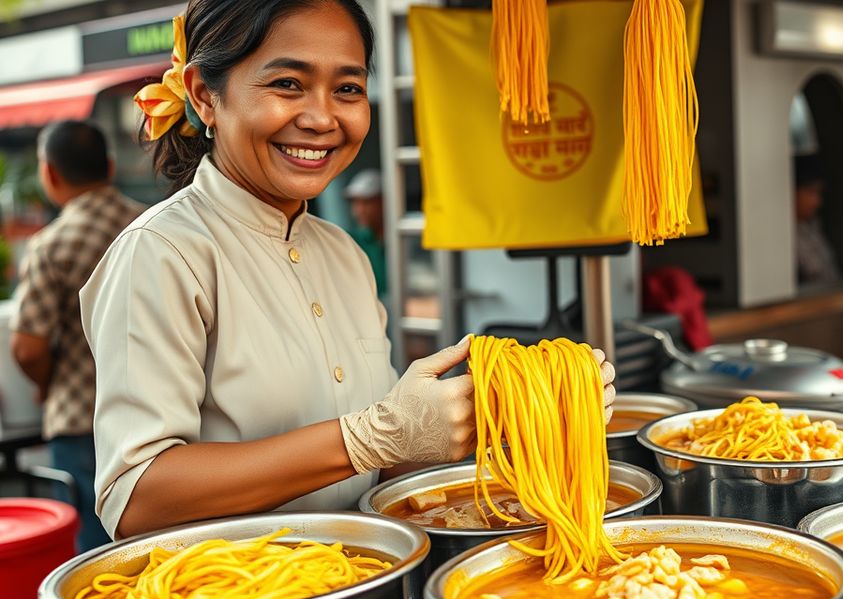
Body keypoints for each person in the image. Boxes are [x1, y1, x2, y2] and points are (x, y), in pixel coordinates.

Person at [79, 1, 615, 540]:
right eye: (288, 83)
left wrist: (496, 415)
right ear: (204, 95)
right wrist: (367, 437)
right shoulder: (161, 253)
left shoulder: (345, 255)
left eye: (348, 89)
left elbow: (383, 463)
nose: (322, 118)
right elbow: (136, 498)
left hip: (365, 578)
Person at [10, 121, 145, 551]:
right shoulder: (153, 224)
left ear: (50, 174)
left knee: (98, 557)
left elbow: (28, 348)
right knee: (162, 546)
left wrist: (48, 384)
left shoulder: (51, 245)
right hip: (160, 412)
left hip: (80, 420)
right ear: (108, 166)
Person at [792, 154, 840, 285]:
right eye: (810, 192)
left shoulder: (812, 227)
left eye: (818, 193)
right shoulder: (780, 239)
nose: (817, 201)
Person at [344, 168, 387, 297]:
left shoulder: (404, 239)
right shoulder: (350, 241)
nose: (359, 210)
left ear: (384, 202)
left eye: (367, 203)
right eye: (355, 203)